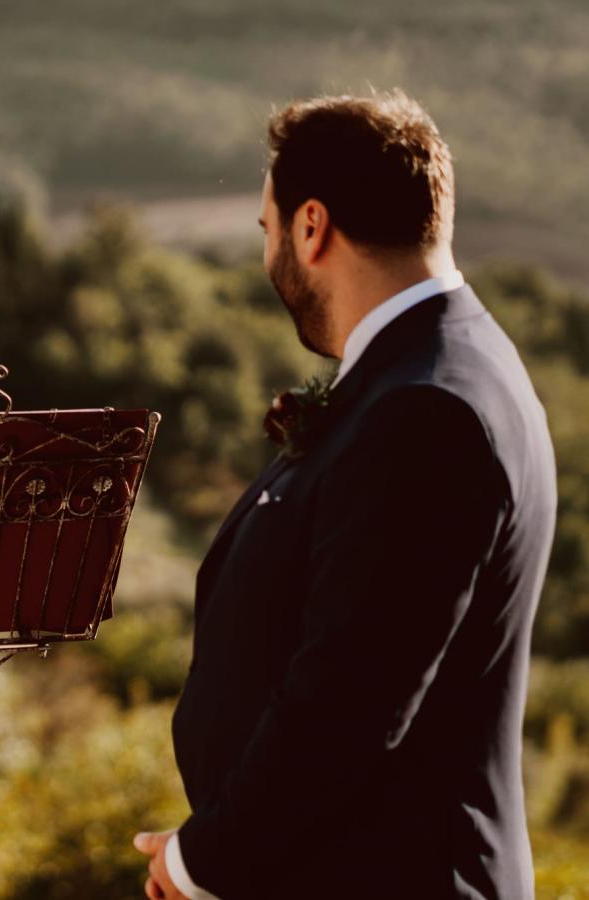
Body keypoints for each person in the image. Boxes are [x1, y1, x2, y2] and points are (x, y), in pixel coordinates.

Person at [133, 91, 557, 899]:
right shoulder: (444, 368)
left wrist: (198, 863)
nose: (269, 259)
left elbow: (348, 704)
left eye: (268, 230)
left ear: (312, 226)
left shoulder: (425, 410)